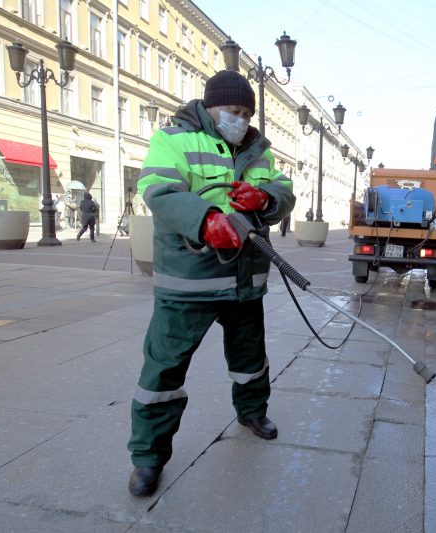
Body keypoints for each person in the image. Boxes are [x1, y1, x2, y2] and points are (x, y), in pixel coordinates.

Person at [127, 70, 295, 497]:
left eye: (245, 113)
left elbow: (282, 188)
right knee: (163, 370)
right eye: (232, 111)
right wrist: (205, 220)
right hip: (190, 279)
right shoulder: (174, 139)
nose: (239, 119)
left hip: (244, 277)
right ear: (210, 106)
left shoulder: (258, 150)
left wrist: (265, 199)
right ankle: (148, 458)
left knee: (250, 356)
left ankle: (252, 411)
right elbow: (159, 191)